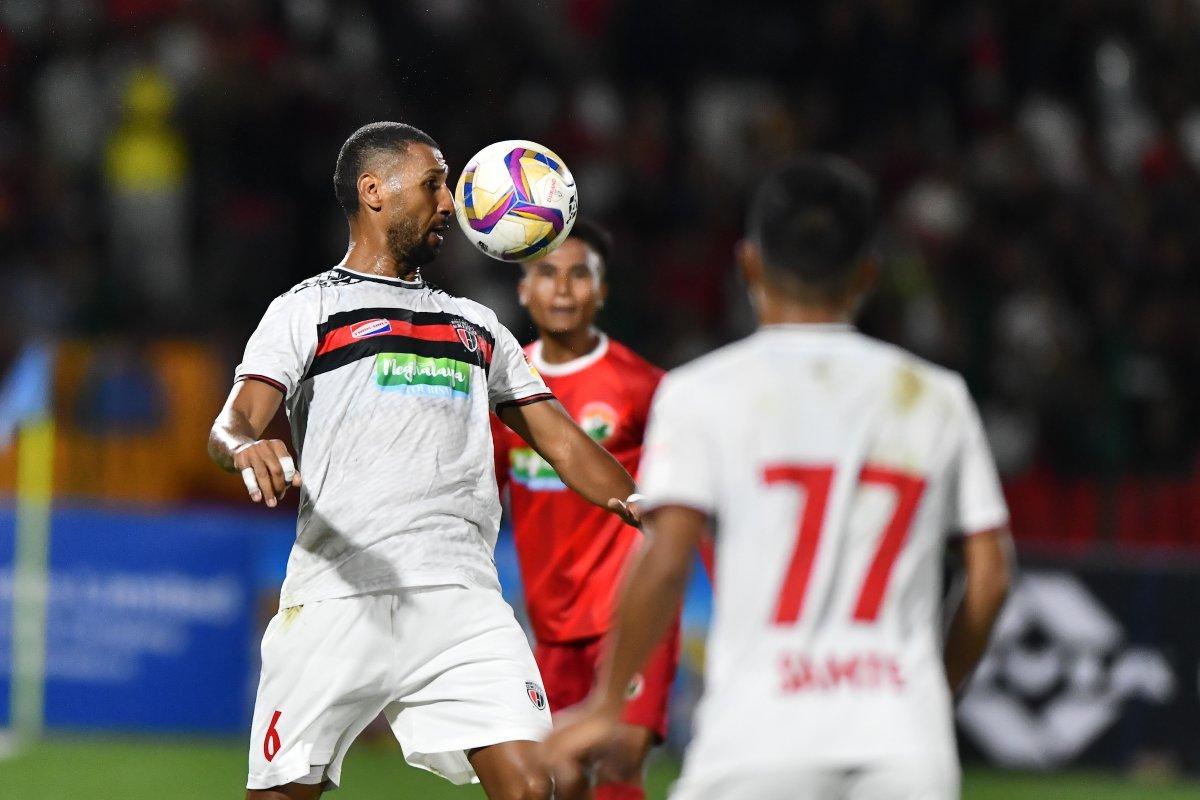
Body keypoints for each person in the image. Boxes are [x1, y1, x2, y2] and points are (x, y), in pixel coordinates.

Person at [543, 156, 1014, 800]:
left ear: (749, 265)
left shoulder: (703, 392)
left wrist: (605, 704)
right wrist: (930, 695)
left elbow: (667, 554)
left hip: (760, 736)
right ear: (868, 272)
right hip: (903, 740)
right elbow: (989, 575)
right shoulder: (937, 396)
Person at [208, 121, 640, 800]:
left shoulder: (478, 324)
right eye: (435, 184)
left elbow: (562, 442)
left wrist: (644, 504)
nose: (451, 204)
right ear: (373, 191)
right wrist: (245, 444)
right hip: (340, 595)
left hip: (462, 601)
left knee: (534, 786)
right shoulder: (308, 308)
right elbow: (234, 421)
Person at [491, 220, 676, 800]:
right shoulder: (501, 387)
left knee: (619, 761)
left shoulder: (645, 387)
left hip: (631, 612)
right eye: (546, 273)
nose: (563, 289)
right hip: (552, 622)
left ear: (602, 290)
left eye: (580, 274)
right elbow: (479, 496)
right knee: (560, 780)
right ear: (523, 290)